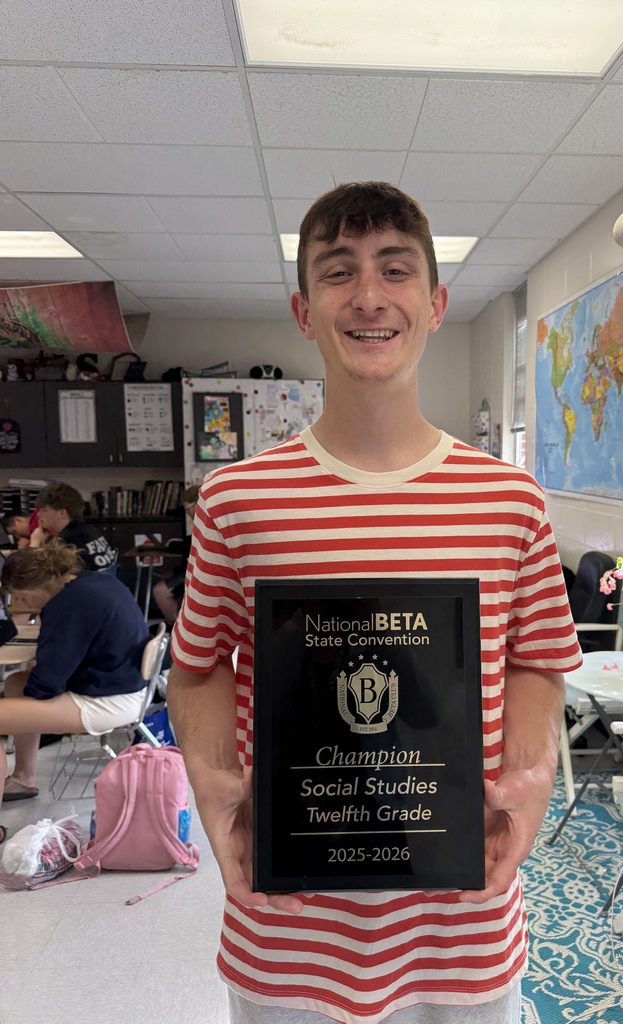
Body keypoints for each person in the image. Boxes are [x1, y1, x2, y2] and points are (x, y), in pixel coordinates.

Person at [167, 181, 582, 1024]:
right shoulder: (237, 499)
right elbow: (197, 668)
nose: (368, 296)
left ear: (433, 303)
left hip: (461, 927)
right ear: (302, 308)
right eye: (338, 272)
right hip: (287, 930)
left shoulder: (512, 502)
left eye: (395, 270)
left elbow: (537, 659)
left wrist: (531, 774)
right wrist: (213, 788)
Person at [0, 544, 149, 828]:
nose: (20, 601)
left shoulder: (68, 604)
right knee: (15, 682)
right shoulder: (95, 582)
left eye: (20, 595)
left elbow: (46, 686)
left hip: (105, 702)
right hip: (125, 687)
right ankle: (23, 778)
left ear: (35, 585)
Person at [33, 481, 119, 573]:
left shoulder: (66, 541)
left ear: (62, 513)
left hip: (84, 586)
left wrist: (35, 543)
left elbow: (34, 576)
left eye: (44, 510)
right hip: (106, 585)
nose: (38, 514)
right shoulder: (89, 529)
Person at [150, 485, 200, 624]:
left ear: (197, 505)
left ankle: (174, 626)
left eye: (187, 508)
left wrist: (173, 545)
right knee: (169, 576)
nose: (188, 512)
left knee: (160, 591)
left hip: (200, 575)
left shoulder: (206, 526)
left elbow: (191, 550)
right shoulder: (203, 524)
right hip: (194, 571)